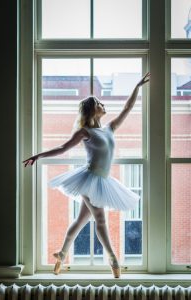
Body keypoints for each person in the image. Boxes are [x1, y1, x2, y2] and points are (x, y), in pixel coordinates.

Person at [23, 72, 150, 278]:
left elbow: (127, 108)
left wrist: (137, 86)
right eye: (99, 102)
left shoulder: (110, 128)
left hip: (102, 180)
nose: (103, 104)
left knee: (81, 219)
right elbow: (63, 148)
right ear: (92, 109)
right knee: (100, 219)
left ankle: (61, 254)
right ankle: (113, 259)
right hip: (89, 179)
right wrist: (38, 156)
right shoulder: (85, 132)